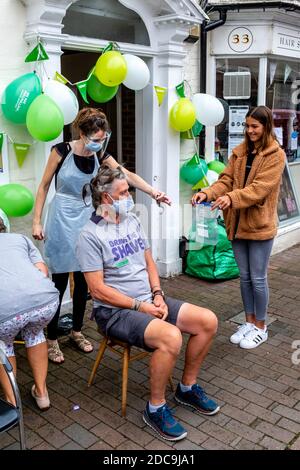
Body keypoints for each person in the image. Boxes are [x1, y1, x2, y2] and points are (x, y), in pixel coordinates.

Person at [76, 165, 219, 442]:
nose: (129, 196)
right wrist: (141, 307)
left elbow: (149, 261)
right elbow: (98, 291)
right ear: (106, 199)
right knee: (171, 337)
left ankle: (186, 389)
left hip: (148, 300)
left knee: (207, 321)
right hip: (115, 312)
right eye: (123, 192)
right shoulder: (89, 235)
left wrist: (157, 294)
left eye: (127, 189)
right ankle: (155, 408)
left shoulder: (130, 220)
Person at [32, 107, 171, 364]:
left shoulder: (101, 155)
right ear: (82, 134)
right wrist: (37, 221)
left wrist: (154, 192)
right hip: (62, 216)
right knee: (59, 282)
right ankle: (51, 340)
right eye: (95, 138)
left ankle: (76, 331)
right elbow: (42, 187)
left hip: (87, 214)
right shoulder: (60, 151)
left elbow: (125, 175)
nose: (99, 142)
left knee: (86, 281)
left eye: (102, 138)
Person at [192, 106, 286, 349]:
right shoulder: (240, 152)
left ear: (266, 127)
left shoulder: (276, 155)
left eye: (255, 126)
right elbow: (225, 181)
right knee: (244, 278)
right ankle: (249, 321)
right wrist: (207, 193)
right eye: (247, 126)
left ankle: (261, 327)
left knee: (257, 277)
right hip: (237, 224)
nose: (250, 130)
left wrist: (231, 198)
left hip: (259, 226)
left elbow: (259, 189)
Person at [0, 217, 59, 410]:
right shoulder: (20, 239)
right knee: (34, 334)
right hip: (45, 302)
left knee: (3, 344)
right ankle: (42, 394)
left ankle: (12, 400)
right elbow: (42, 271)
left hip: (6, 313)